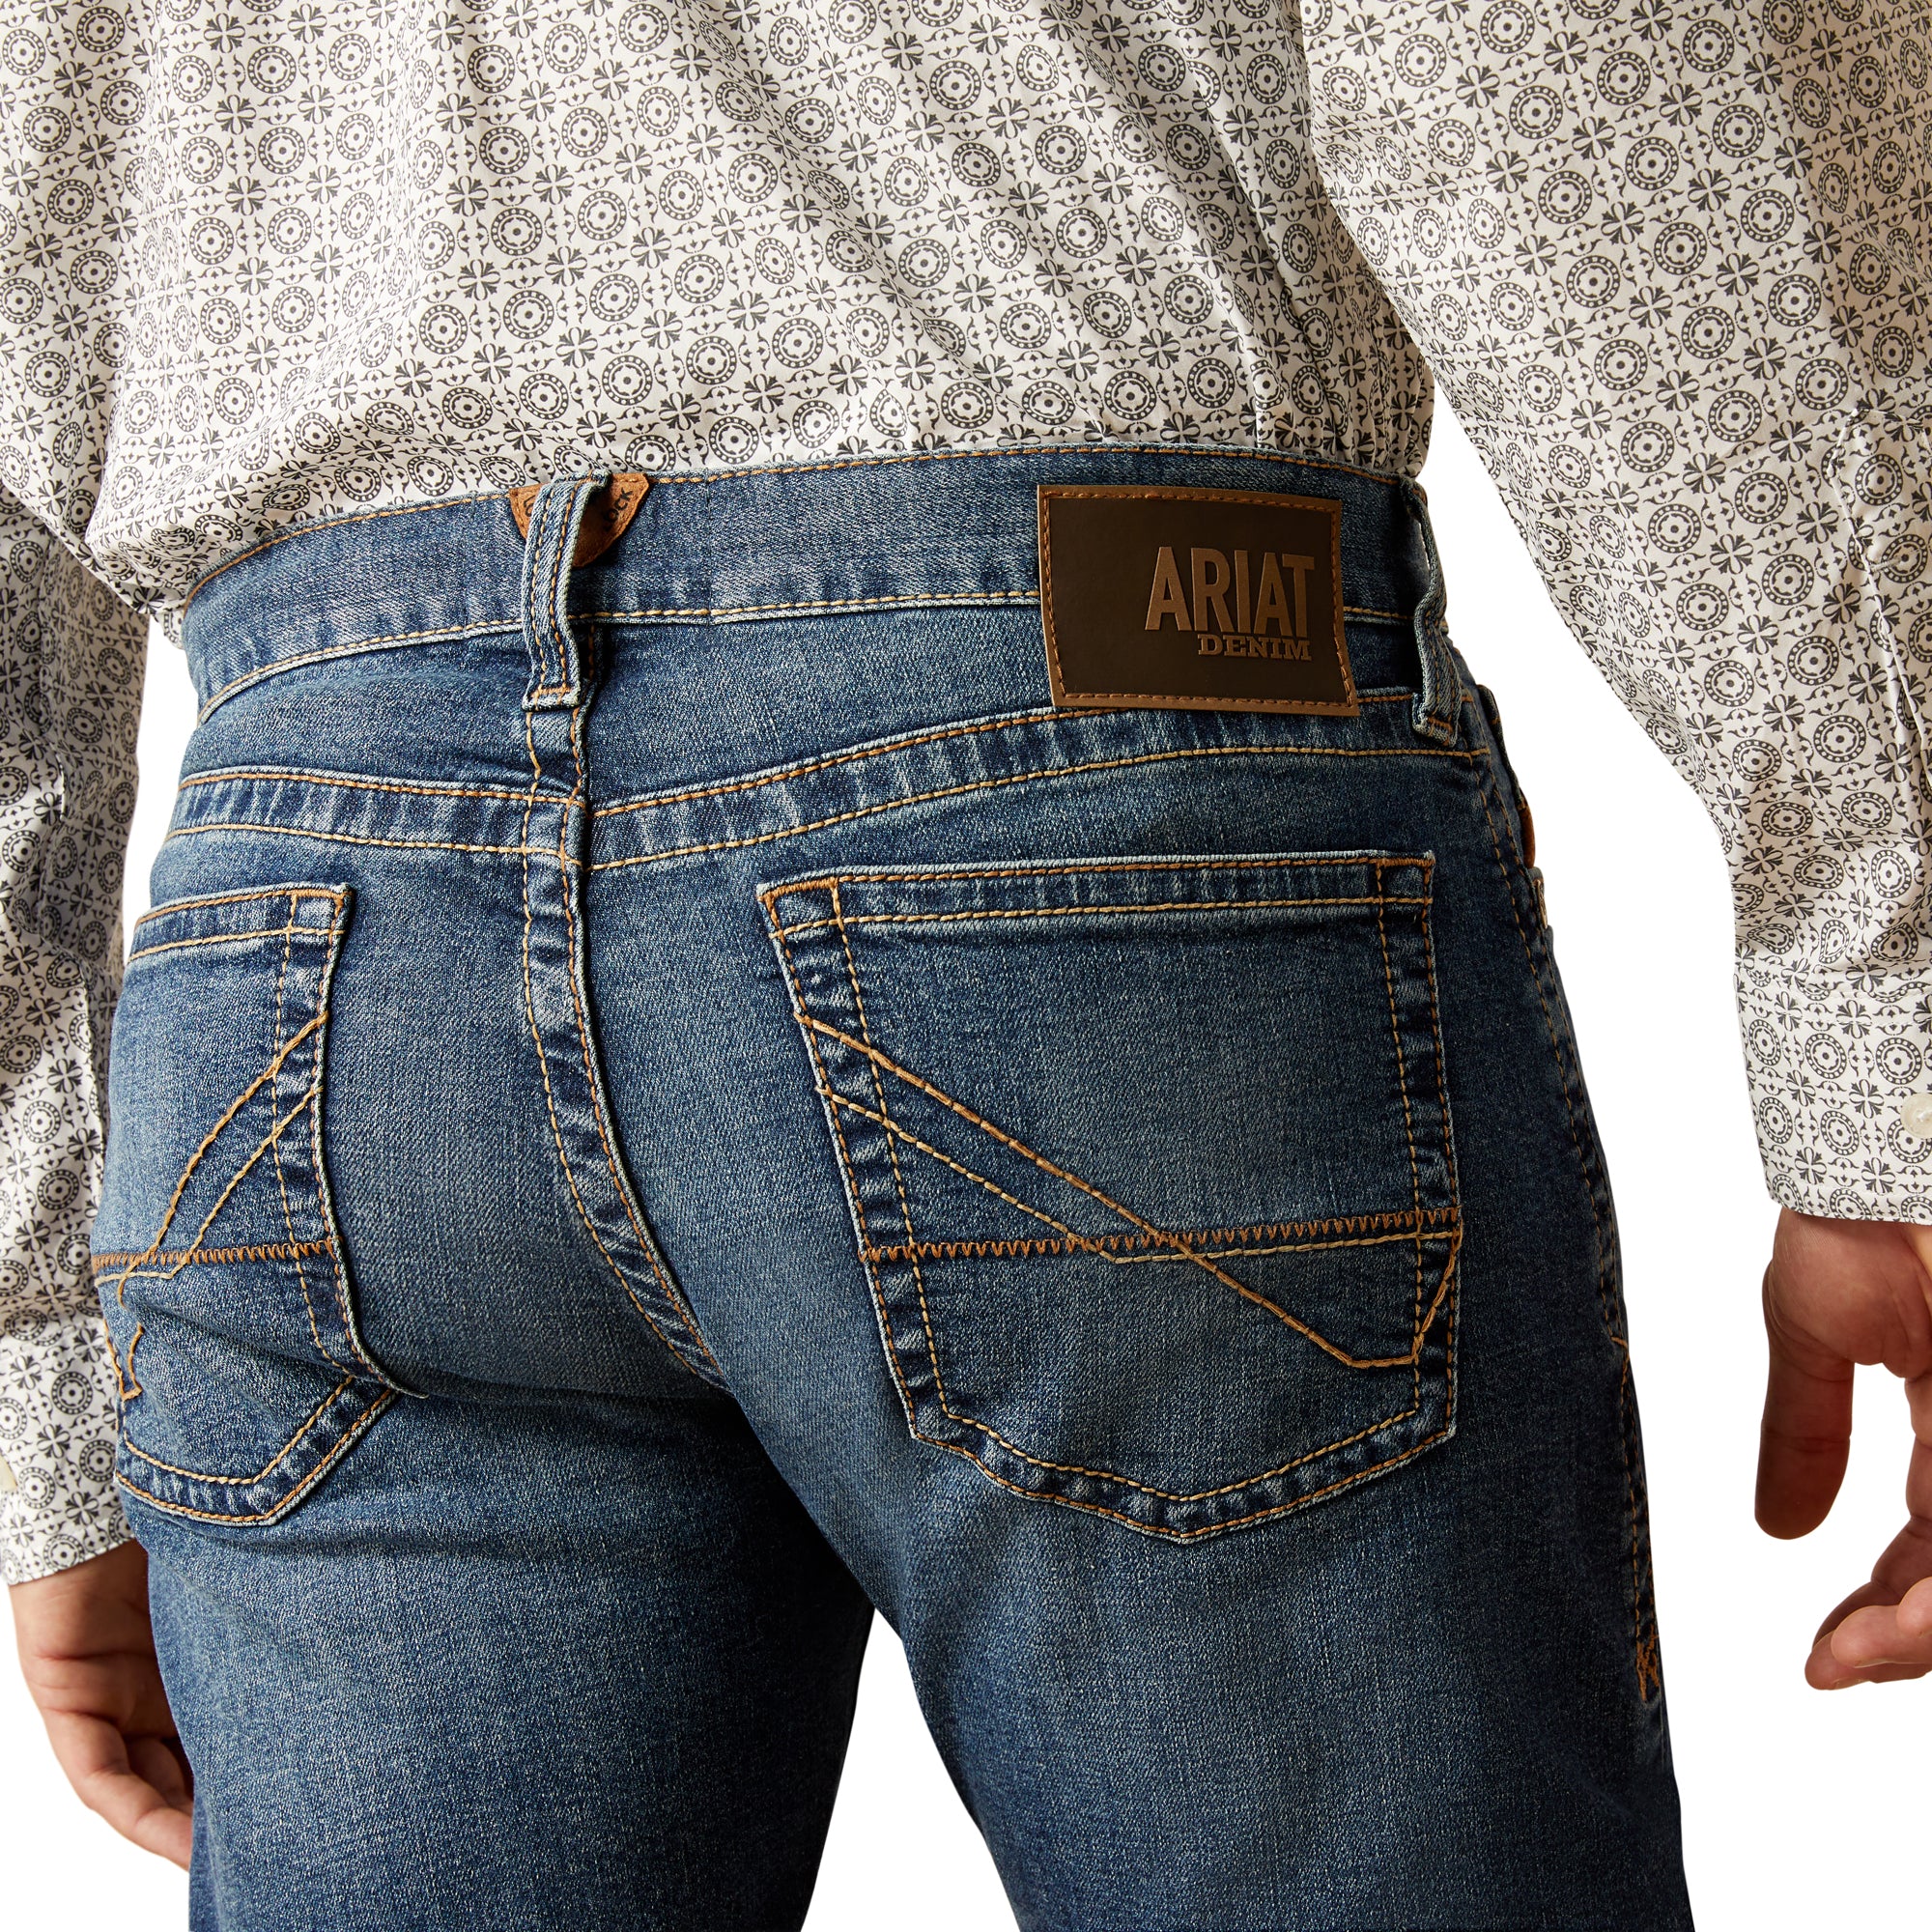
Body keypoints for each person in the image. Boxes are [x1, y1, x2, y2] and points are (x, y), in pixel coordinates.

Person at [1, 0, 1927, 1921]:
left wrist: (43, 1410)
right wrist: (1887, 1008)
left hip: (305, 928)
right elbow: (1590, 81)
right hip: (1088, 769)